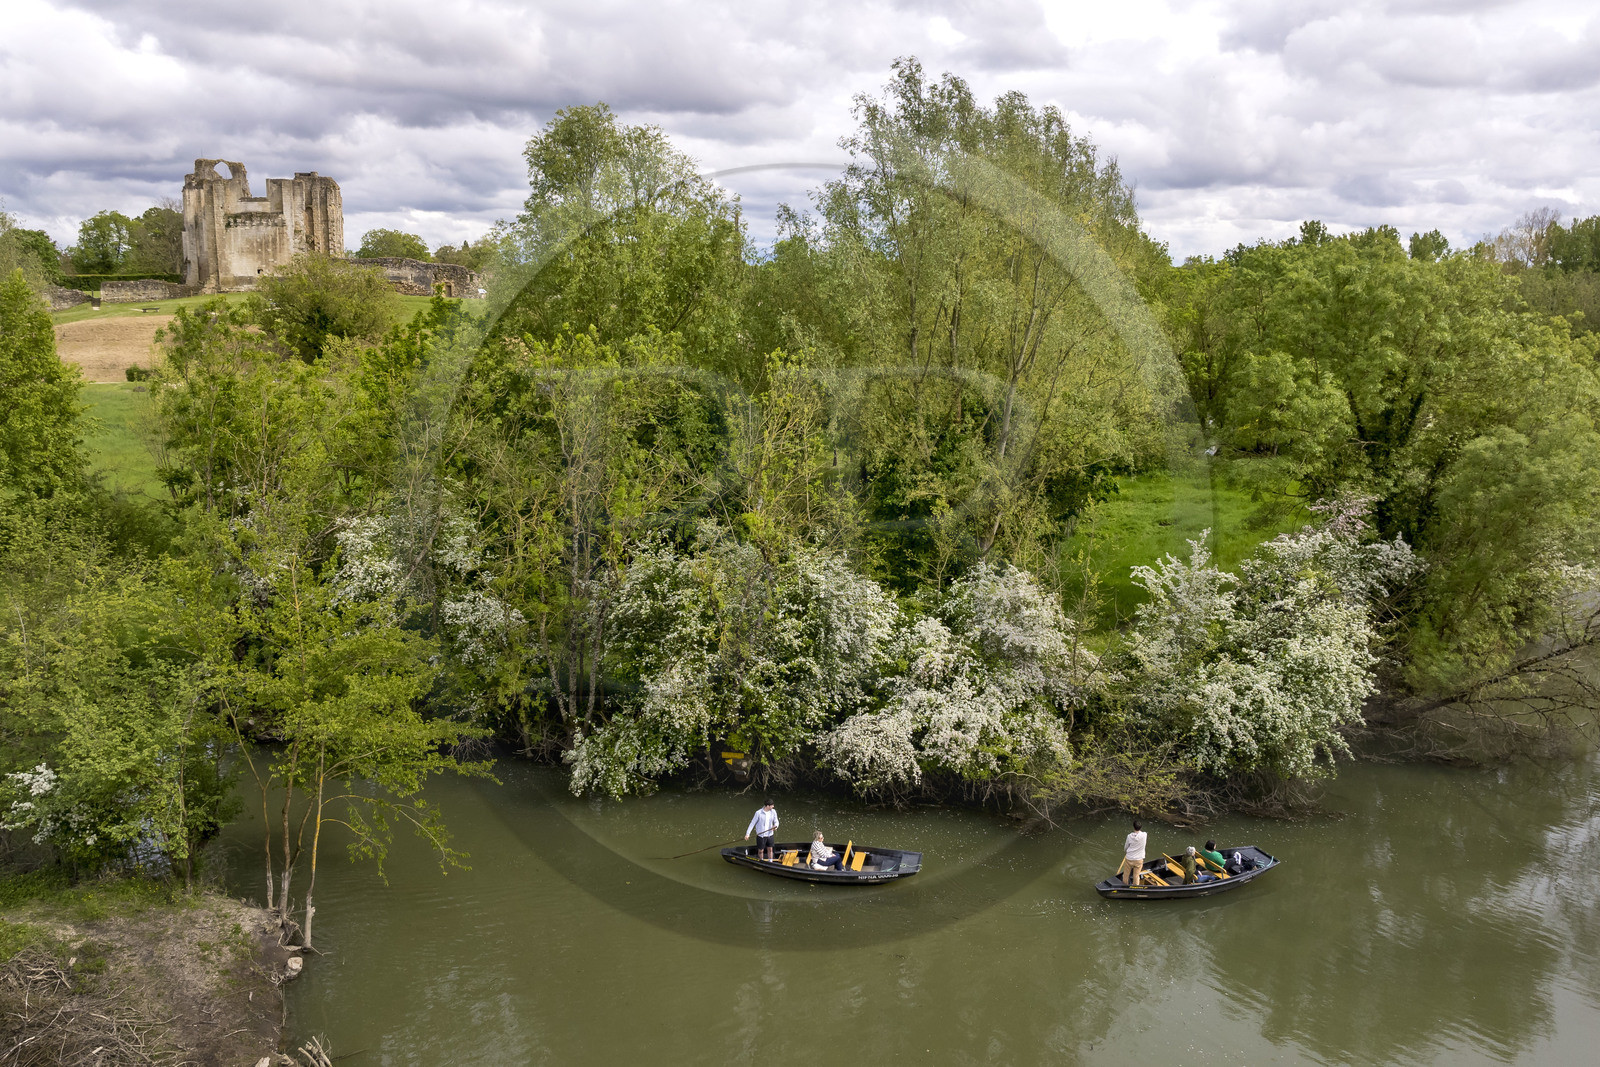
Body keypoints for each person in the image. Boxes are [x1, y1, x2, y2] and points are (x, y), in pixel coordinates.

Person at [1121, 819, 1147, 886]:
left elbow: (1126, 847)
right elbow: (1141, 833)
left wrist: (1126, 851)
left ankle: (1124, 886)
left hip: (1129, 858)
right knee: (1136, 875)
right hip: (1139, 859)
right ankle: (1135, 887)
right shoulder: (1144, 835)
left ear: (1133, 827)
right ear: (1140, 827)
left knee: (1126, 874)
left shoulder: (1129, 836)